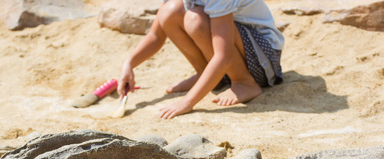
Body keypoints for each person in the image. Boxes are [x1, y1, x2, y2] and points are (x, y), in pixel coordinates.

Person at [117, 0, 284, 119]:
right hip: (231, 55)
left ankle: (243, 82)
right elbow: (156, 35)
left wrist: (188, 102)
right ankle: (207, 73)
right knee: (170, 11)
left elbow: (223, 55)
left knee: (195, 20)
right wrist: (129, 64)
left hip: (263, 59)